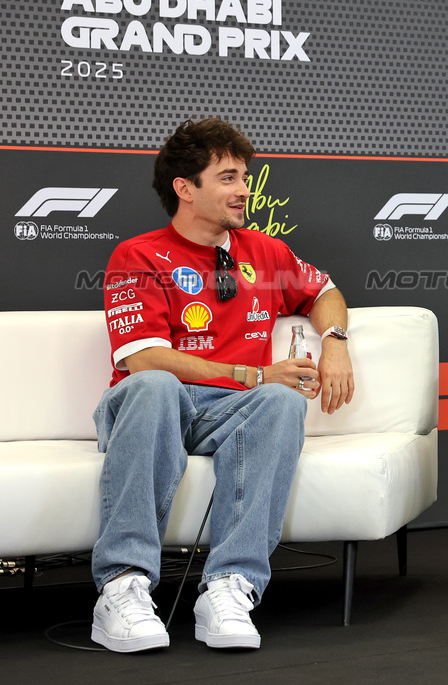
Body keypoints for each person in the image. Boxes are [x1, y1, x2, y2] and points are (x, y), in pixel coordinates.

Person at [90, 117, 355, 653]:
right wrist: (253, 374)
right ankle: (122, 586)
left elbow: (324, 290)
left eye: (244, 176)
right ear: (185, 189)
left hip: (228, 413)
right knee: (158, 387)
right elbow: (143, 359)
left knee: (281, 401)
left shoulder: (266, 251)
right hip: (149, 406)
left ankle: (230, 587)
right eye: (228, 178)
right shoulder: (137, 256)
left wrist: (336, 341)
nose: (244, 189)